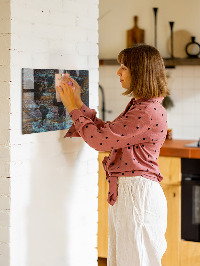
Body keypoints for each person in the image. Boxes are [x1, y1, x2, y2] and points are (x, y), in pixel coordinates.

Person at [57, 44, 169, 266]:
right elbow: (108, 133)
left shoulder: (146, 111)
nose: (118, 72)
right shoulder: (142, 106)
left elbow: (100, 141)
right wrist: (78, 103)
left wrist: (72, 107)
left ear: (140, 72)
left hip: (137, 195)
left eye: (124, 67)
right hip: (132, 193)